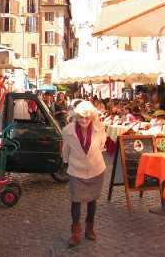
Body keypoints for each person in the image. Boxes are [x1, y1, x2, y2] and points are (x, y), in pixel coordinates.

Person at [62, 101, 106, 247]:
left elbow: (101, 146)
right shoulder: (68, 130)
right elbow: (66, 148)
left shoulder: (100, 128)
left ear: (92, 117)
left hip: (95, 169)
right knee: (76, 200)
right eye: (81, 117)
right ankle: (75, 232)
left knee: (92, 200)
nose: (84, 121)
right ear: (76, 116)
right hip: (76, 169)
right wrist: (66, 161)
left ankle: (89, 228)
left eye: (87, 118)